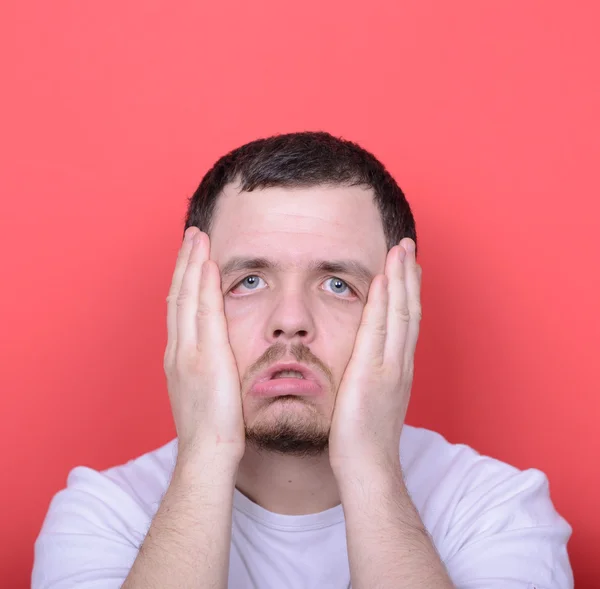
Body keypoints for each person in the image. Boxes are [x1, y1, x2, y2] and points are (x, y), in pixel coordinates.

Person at [32, 131, 573, 589]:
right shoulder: (100, 515)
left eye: (338, 283)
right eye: (248, 281)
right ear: (187, 302)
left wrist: (370, 467)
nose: (290, 319)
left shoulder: (500, 510)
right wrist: (204, 457)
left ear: (401, 309)